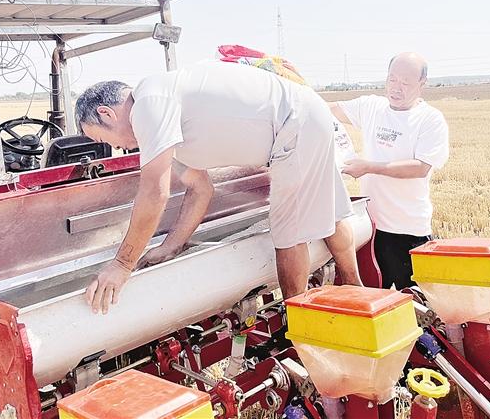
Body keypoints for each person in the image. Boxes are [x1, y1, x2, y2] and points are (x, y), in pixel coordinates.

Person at [75, 60, 362, 314]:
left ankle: (300, 324)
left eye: (103, 139)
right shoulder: (164, 120)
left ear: (107, 114)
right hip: (307, 115)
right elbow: (200, 189)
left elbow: (154, 192)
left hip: (293, 124)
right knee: (330, 214)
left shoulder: (149, 101)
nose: (114, 148)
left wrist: (122, 265)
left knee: (289, 232)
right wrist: (171, 246)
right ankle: (356, 289)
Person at [329, 52, 449, 290]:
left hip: (408, 229)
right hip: (369, 229)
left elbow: (420, 167)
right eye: (392, 80)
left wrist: (368, 167)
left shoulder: (429, 120)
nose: (397, 88)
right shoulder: (372, 107)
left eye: (406, 83)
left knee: (417, 305)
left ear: (422, 85)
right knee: (373, 300)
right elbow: (328, 110)